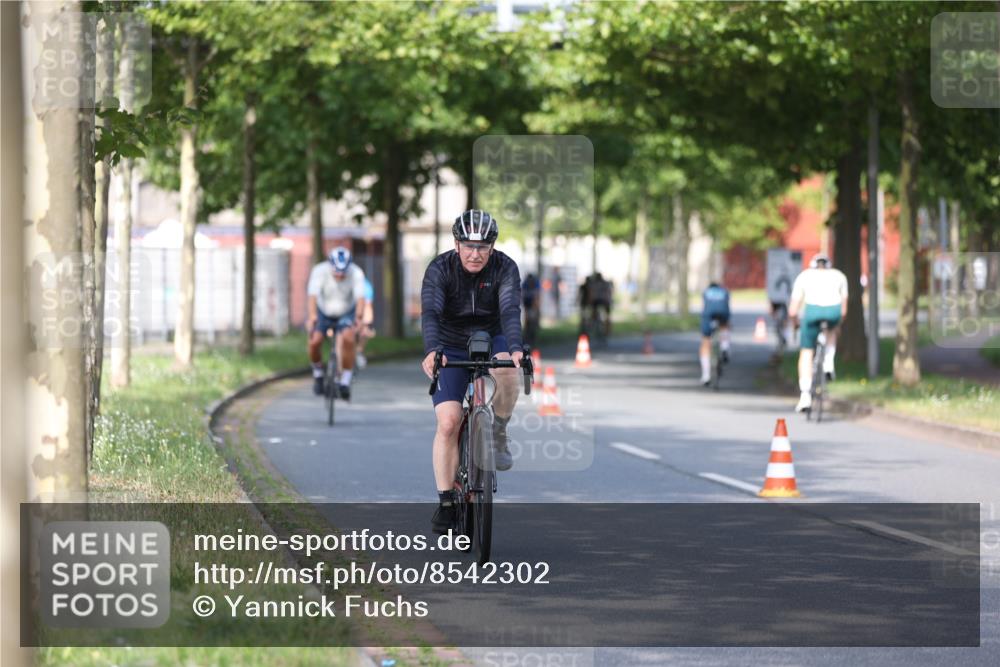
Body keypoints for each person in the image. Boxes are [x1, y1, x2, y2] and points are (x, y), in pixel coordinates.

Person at [420, 210, 524, 534]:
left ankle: (498, 430)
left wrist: (517, 349)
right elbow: (431, 312)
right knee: (448, 422)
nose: (475, 253)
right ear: (456, 244)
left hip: (492, 336)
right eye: (468, 246)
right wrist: (433, 350)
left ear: (492, 247)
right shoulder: (440, 269)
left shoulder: (505, 267)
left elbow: (509, 309)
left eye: (483, 247)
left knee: (508, 372)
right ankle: (446, 500)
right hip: (449, 344)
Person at [788, 253, 848, 412]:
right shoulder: (839, 276)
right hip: (833, 311)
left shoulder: (804, 276)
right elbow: (843, 310)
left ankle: (805, 396)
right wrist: (838, 325)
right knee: (832, 331)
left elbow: (793, 310)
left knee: (806, 352)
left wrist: (795, 325)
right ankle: (829, 363)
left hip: (812, 311)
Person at [306, 247, 366, 401]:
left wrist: (359, 318)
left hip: (346, 311)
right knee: (315, 341)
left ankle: (345, 380)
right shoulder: (319, 271)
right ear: (329, 265)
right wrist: (312, 317)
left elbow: (360, 298)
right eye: (336, 272)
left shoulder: (356, 273)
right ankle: (318, 373)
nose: (339, 275)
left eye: (343, 272)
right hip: (323, 310)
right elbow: (313, 296)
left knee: (348, 338)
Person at [699, 281, 731, 385]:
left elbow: (704, 307)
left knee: (705, 341)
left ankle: (706, 375)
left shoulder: (706, 292)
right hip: (723, 313)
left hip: (708, 315)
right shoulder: (724, 291)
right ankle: (725, 347)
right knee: (724, 326)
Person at [356, 277, 376, 369]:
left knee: (364, 330)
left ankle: (359, 351)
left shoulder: (365, 286)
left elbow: (368, 306)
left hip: (360, 310)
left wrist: (367, 323)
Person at [522, 272, 541, 347]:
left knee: (529, 323)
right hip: (531, 306)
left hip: (529, 306)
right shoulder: (534, 284)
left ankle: (528, 339)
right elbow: (537, 296)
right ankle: (530, 339)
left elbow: (523, 296)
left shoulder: (526, 284)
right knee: (532, 323)